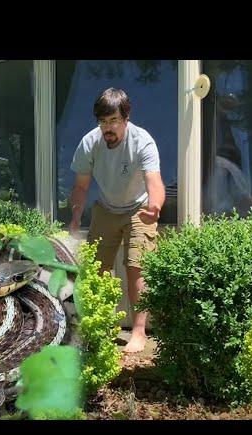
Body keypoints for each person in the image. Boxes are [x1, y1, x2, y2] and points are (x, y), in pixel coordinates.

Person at [68, 88, 165, 354]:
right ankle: (102, 329)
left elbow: (154, 181)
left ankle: (138, 331)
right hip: (107, 208)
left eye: (113, 121)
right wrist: (76, 214)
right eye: (102, 122)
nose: (107, 128)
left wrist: (155, 207)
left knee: (136, 266)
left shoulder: (142, 141)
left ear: (126, 117)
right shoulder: (90, 142)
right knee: (96, 269)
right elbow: (81, 186)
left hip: (139, 207)